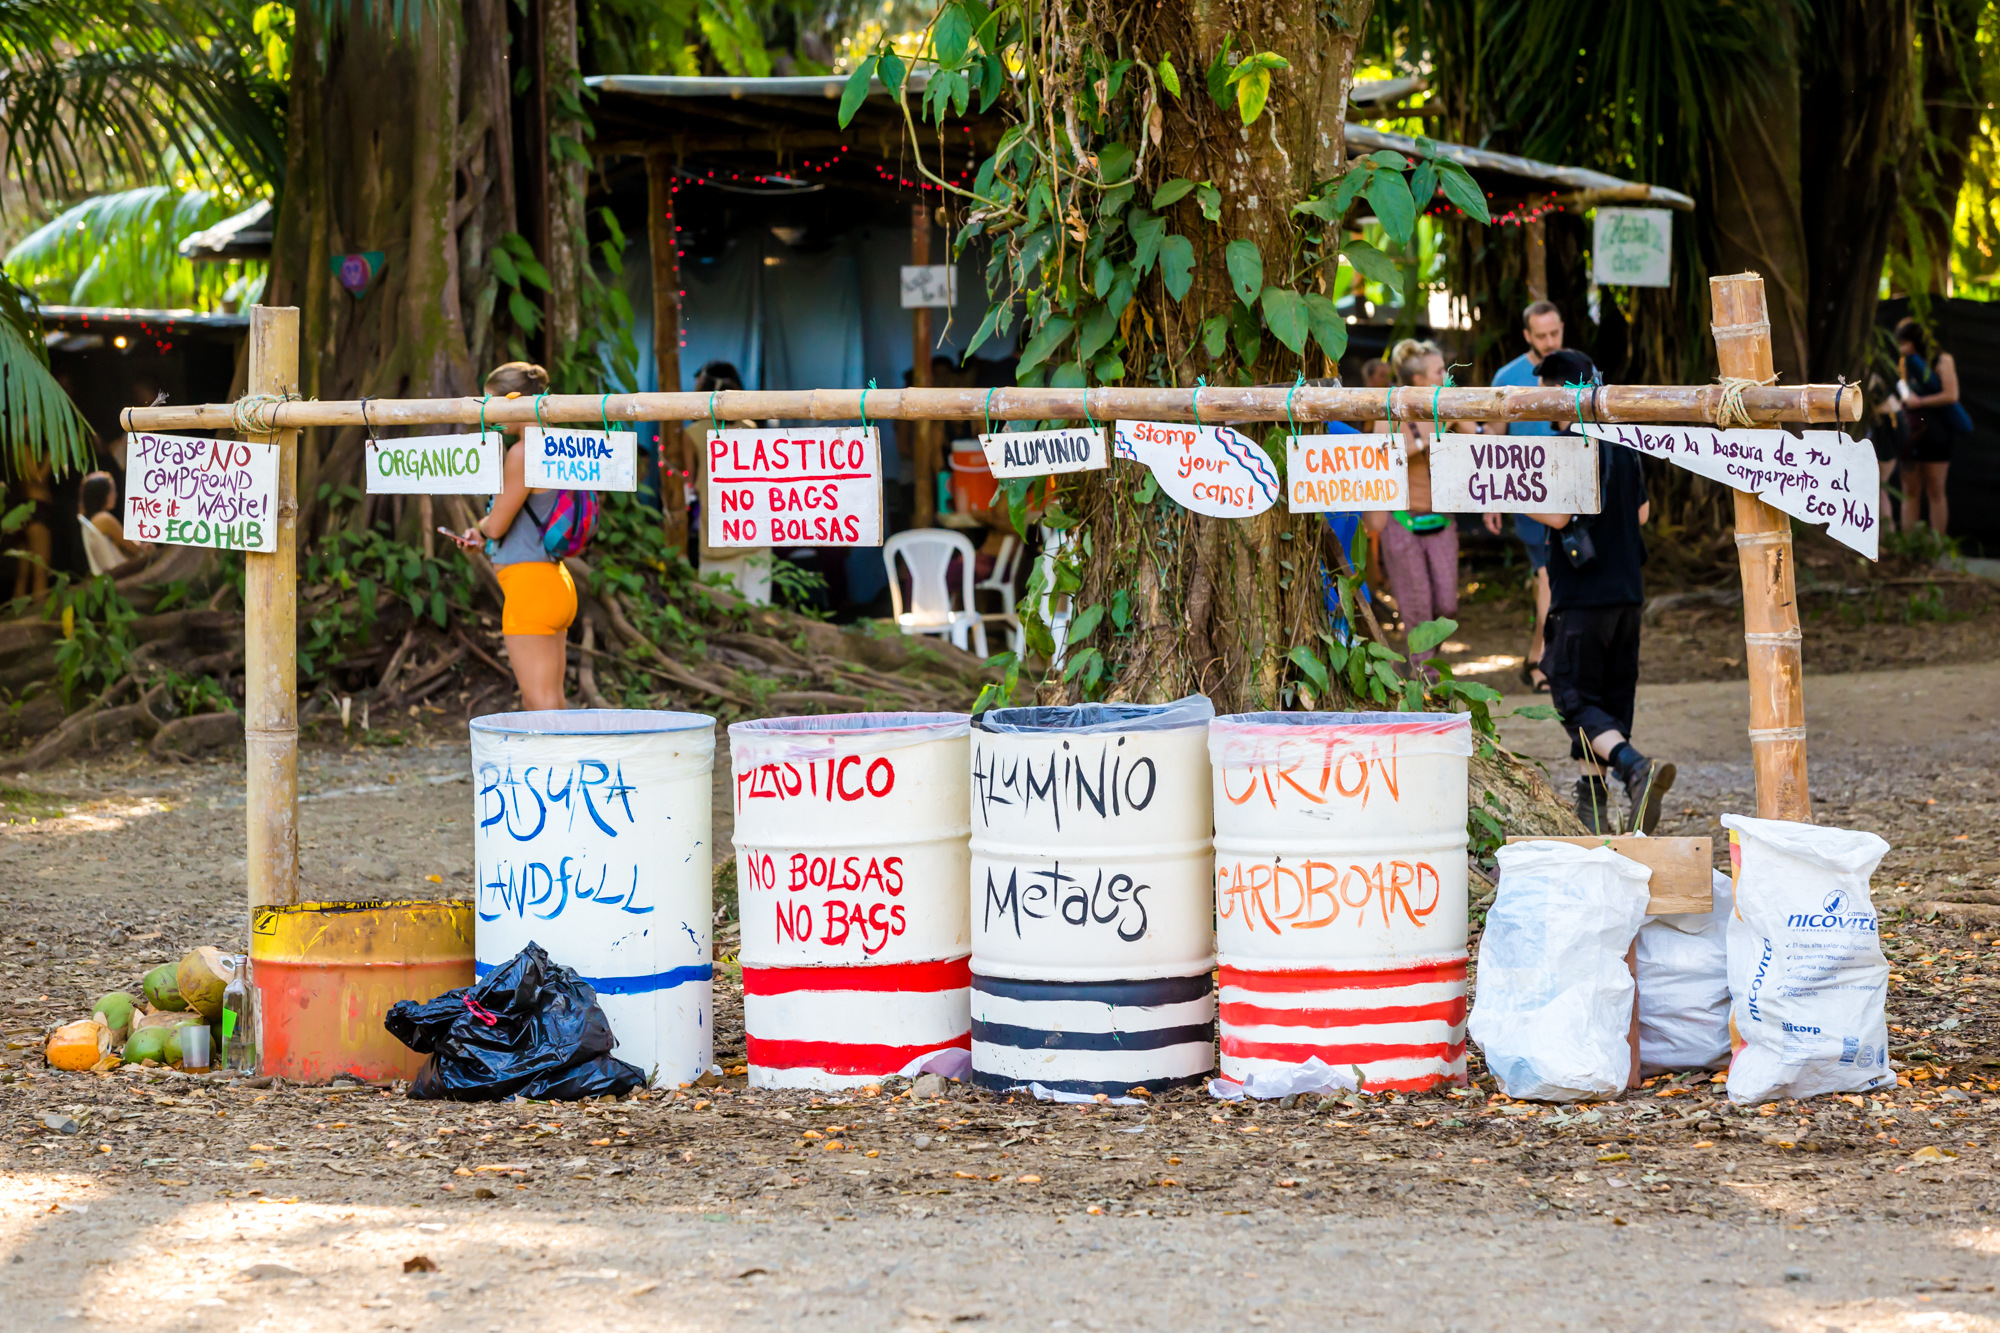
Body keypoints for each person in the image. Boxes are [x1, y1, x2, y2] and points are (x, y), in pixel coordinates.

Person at [1526, 348, 1675, 834]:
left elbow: (1560, 515)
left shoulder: (1571, 445)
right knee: (1608, 701)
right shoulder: (1622, 442)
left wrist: (1506, 494)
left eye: (1545, 391)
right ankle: (1594, 804)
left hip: (1583, 596)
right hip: (1628, 595)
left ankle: (1635, 768)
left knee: (1571, 694)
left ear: (1560, 391)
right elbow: (1642, 515)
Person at [450, 361, 574, 712]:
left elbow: (498, 524)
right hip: (554, 581)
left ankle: (549, 766)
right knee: (553, 701)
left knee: (539, 703)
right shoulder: (561, 444)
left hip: (530, 587)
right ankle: (563, 765)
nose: (489, 416)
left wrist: (481, 526)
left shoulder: (523, 451)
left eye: (493, 405)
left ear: (516, 399)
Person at [1363, 339, 1477, 641]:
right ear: (1419, 379)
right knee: (1417, 609)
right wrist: (1426, 440)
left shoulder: (1446, 405)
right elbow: (1382, 458)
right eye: (1440, 371)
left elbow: (1481, 438)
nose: (1445, 377)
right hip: (1402, 521)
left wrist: (1464, 416)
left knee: (1447, 605)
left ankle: (1425, 669)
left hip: (1441, 518)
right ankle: (1425, 681)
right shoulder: (1390, 409)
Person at [1485, 299, 1566, 691]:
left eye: (1555, 333)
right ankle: (1544, 662)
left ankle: (1539, 657)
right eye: (1542, 335)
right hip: (1529, 494)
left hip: (1573, 492)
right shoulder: (1507, 376)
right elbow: (1494, 442)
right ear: (1527, 336)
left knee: (1556, 581)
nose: (1550, 342)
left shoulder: (1580, 369)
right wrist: (1491, 499)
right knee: (1548, 577)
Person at [1893, 317, 1974, 536]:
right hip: (1912, 432)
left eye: (1904, 342)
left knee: (1936, 488)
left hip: (1937, 433)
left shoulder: (1942, 360)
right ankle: (1909, 544)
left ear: (1914, 340)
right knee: (1910, 490)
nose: (1901, 347)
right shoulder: (1904, 361)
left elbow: (1951, 395)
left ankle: (1939, 545)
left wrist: (1920, 402)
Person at [77, 472, 150, 575]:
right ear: (102, 494)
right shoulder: (104, 519)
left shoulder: (93, 520)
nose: (116, 495)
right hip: (121, 573)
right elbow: (135, 548)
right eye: (112, 491)